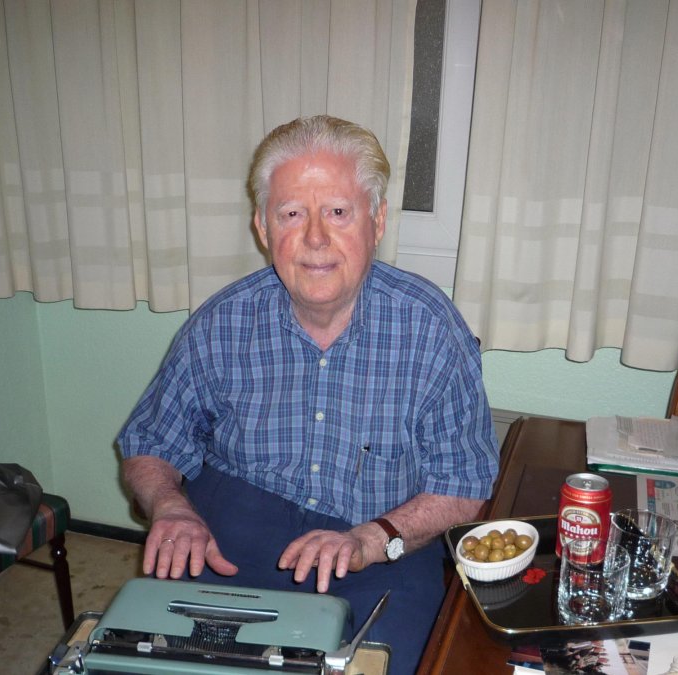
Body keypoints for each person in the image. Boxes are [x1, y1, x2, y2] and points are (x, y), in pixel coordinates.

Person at [117, 115, 499, 675]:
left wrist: (374, 538)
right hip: (231, 530)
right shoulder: (221, 323)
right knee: (163, 661)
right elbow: (150, 440)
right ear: (263, 228)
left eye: (338, 213)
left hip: (382, 541)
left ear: (377, 221)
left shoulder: (431, 330)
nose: (315, 238)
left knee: (391, 665)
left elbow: (464, 485)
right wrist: (172, 507)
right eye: (292, 214)